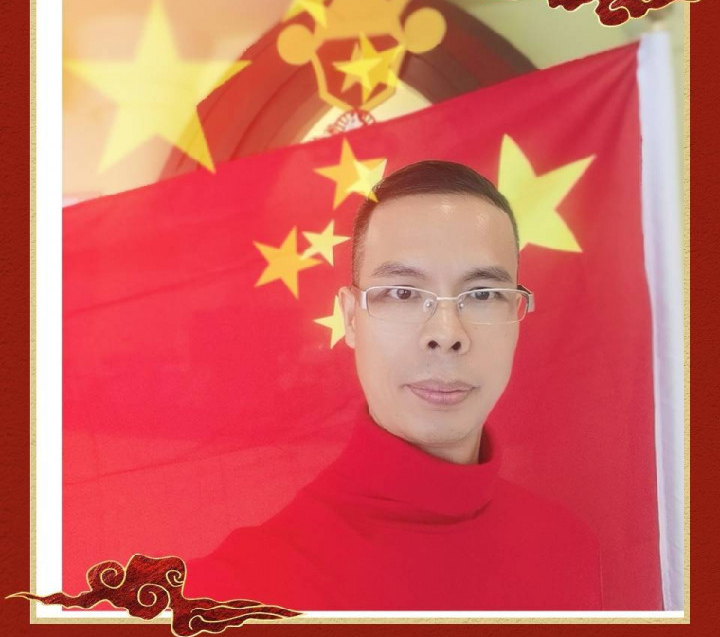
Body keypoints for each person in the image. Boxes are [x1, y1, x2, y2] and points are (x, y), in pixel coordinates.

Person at [184, 160, 603, 611]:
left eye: (483, 294)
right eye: (403, 293)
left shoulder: (567, 547)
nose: (447, 333)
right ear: (350, 319)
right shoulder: (234, 597)